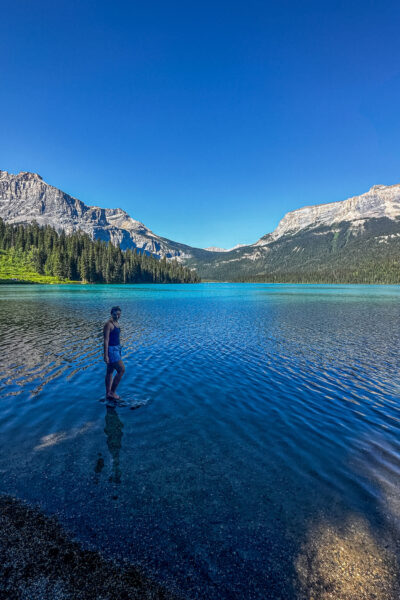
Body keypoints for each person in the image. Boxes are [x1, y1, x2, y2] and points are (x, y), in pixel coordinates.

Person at [103, 306, 125, 400]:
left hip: (117, 348)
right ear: (111, 313)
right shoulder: (108, 324)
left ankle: (108, 393)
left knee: (110, 371)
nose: (117, 316)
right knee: (121, 370)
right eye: (115, 314)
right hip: (112, 350)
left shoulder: (117, 323)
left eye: (119, 314)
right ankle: (112, 392)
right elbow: (106, 340)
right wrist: (106, 355)